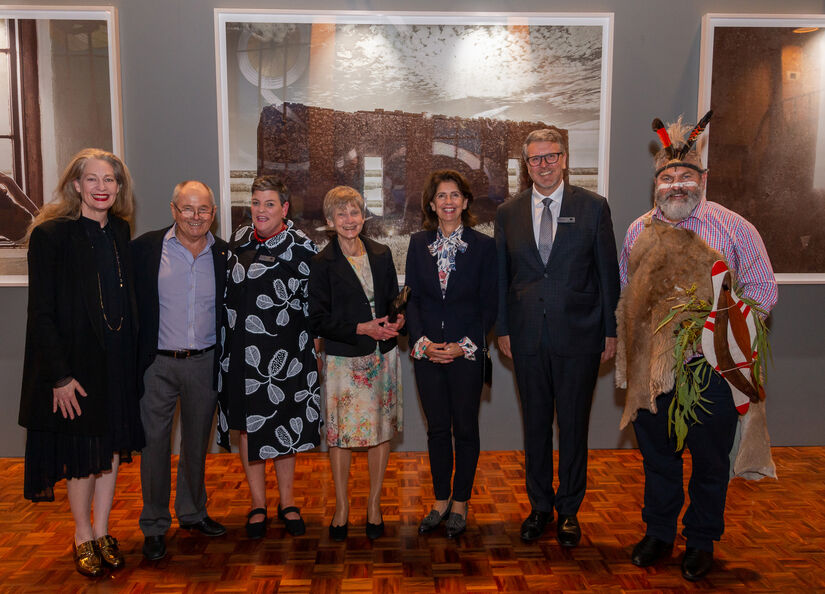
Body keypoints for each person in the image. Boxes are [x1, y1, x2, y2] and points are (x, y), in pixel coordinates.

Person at [617, 114, 777, 581]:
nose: (676, 185)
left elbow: (763, 291)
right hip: (653, 367)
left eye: (685, 176)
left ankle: (701, 540)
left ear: (702, 180)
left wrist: (718, 328)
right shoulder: (637, 230)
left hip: (712, 368)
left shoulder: (735, 228)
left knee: (709, 460)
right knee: (658, 457)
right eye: (667, 177)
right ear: (656, 183)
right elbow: (628, 291)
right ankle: (659, 533)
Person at [18, 148, 144, 577]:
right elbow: (40, 313)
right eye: (93, 179)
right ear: (76, 185)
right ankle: (82, 534)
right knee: (83, 455)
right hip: (77, 368)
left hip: (117, 362)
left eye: (110, 180)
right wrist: (60, 377)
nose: (102, 187)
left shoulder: (120, 230)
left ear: (119, 187)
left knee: (111, 450)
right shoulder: (51, 236)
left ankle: (104, 530)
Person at [495, 128, 620, 546]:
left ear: (564, 159)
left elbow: (607, 275)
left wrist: (611, 331)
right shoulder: (508, 213)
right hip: (526, 336)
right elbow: (501, 279)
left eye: (551, 156)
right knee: (535, 427)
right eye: (536, 159)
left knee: (573, 426)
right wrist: (503, 328)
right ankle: (539, 507)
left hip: (580, 335)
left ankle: (569, 511)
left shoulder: (593, 207)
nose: (544, 165)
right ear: (526, 165)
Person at [216, 175, 321, 539]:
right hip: (241, 354)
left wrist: (315, 349)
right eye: (256, 202)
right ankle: (258, 503)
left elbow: (314, 304)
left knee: (284, 426)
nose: (261, 210)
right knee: (249, 427)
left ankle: (287, 502)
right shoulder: (239, 239)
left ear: (284, 208)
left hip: (287, 357)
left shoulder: (303, 247)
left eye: (270, 204)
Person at [131, 180, 228, 561]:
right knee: (153, 445)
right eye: (188, 208)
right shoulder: (145, 249)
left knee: (196, 444)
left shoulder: (224, 255)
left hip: (204, 363)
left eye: (203, 209)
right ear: (173, 210)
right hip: (157, 364)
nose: (195, 216)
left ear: (213, 214)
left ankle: (192, 512)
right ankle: (155, 524)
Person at [308, 186, 404, 541]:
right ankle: (342, 507)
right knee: (341, 436)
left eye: (354, 212)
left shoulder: (381, 253)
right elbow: (317, 319)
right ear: (330, 221)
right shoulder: (322, 263)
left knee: (381, 432)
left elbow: (393, 302)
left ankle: (374, 506)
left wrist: (398, 320)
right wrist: (361, 328)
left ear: (364, 216)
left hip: (382, 357)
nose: (349, 220)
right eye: (341, 214)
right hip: (344, 362)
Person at [405, 170, 497, 538]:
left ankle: (461, 502)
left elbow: (489, 303)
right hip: (428, 353)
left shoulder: (484, 246)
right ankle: (441, 499)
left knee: (466, 429)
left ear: (466, 201)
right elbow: (411, 299)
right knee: (438, 430)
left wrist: (464, 345)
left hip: (466, 354)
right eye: (441, 196)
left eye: (455, 195)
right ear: (431, 204)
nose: (448, 201)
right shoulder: (418, 244)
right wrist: (422, 342)